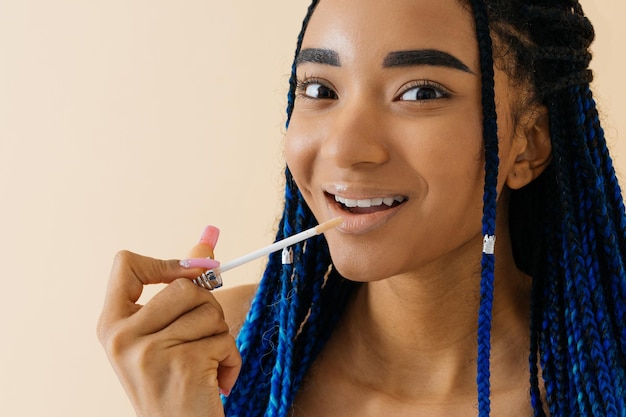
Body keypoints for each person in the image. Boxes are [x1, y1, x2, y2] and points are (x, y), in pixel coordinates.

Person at [97, 0, 626, 415]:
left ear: (528, 144)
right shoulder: (225, 348)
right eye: (320, 88)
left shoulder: (606, 379)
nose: (346, 149)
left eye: (419, 92)